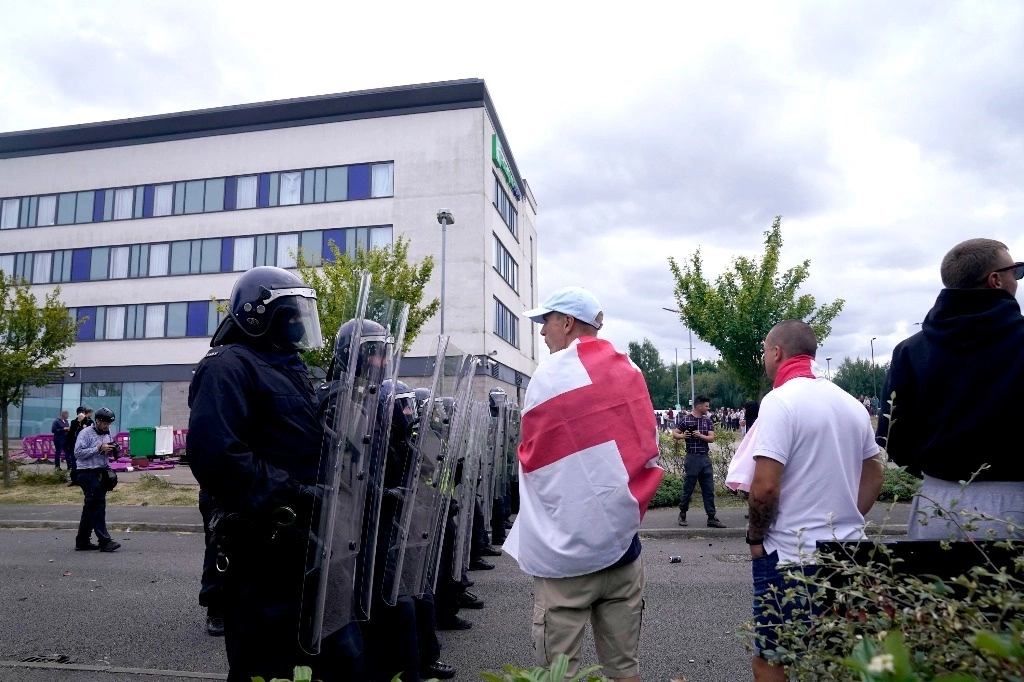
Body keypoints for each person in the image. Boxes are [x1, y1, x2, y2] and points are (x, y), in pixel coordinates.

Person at [187, 266, 361, 682]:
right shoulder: (228, 366)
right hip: (262, 543)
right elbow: (218, 456)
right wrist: (296, 494)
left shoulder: (290, 367)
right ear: (258, 315)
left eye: (303, 315)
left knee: (330, 653)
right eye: (290, 315)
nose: (300, 325)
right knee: (264, 662)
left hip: (310, 540)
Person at [504, 286, 663, 682]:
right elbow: (647, 447)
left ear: (567, 322)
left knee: (559, 673)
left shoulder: (550, 376)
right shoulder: (631, 372)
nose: (542, 333)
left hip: (567, 559)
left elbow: (531, 456)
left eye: (546, 322)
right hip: (623, 548)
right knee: (625, 670)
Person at [747, 320, 883, 682]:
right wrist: (849, 516)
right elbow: (875, 472)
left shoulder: (780, 401)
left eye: (764, 351)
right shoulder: (850, 403)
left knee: (772, 657)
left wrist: (756, 538)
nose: (764, 358)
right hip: (850, 554)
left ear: (777, 353)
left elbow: (765, 487)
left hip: (792, 554)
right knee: (849, 657)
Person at [877, 238, 1024, 540]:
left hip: (937, 503)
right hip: (1016, 502)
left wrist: (936, 474)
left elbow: (892, 435)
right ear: (996, 280)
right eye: (1016, 272)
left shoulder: (910, 351)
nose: (1017, 280)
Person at [672, 396, 726, 528]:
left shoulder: (707, 421)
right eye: (706, 406)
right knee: (688, 487)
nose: (708, 408)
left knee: (708, 489)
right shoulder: (686, 419)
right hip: (692, 457)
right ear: (699, 406)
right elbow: (675, 433)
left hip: (704, 458)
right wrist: (684, 436)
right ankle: (682, 513)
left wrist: (700, 436)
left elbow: (712, 438)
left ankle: (711, 517)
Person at [73, 406, 121, 552]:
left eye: (109, 424)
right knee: (97, 505)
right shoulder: (85, 433)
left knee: (90, 507)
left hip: (101, 472)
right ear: (98, 421)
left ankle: (82, 541)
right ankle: (104, 541)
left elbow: (106, 449)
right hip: (86, 472)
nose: (107, 426)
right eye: (105, 423)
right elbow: (77, 453)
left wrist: (113, 449)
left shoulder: (107, 433)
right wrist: (98, 448)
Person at [65, 406, 93, 485]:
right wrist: (78, 422)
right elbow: (72, 432)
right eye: (79, 413)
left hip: (85, 445)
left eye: (83, 412)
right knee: (74, 462)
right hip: (74, 444)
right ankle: (74, 479)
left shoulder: (89, 422)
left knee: (84, 463)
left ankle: (84, 479)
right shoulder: (74, 422)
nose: (81, 414)